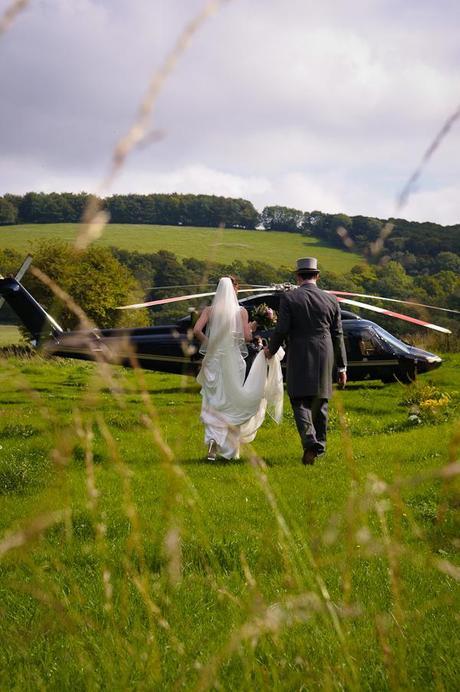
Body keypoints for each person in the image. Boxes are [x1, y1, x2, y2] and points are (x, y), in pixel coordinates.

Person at [265, 258, 347, 466]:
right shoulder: (332, 300)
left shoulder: (289, 298)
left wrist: (270, 350)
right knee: (321, 402)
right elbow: (338, 335)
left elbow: (282, 329)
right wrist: (342, 366)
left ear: (298, 276)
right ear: (317, 276)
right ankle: (319, 444)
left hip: (300, 352)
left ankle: (310, 441)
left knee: (299, 400)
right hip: (325, 352)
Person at [194, 276, 284, 461]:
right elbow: (246, 337)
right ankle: (230, 450)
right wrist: (254, 326)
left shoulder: (209, 311)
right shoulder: (241, 311)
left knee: (213, 402)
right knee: (232, 403)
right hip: (233, 360)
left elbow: (196, 331)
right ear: (234, 289)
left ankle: (213, 442)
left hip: (213, 361)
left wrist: (209, 344)